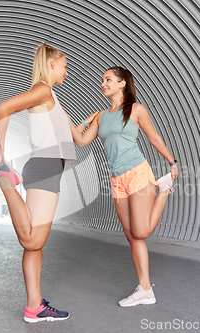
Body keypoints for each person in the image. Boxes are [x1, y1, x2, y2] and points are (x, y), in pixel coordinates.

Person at [0, 43, 96, 323]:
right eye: (64, 65)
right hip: (45, 167)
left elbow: (81, 139)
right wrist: (0, 149)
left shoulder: (53, 100)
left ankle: (34, 307)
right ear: (51, 64)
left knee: (33, 246)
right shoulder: (43, 90)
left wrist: (100, 118)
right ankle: (5, 180)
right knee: (32, 239)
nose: (67, 71)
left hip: (49, 168)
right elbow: (3, 108)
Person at [70, 66, 178, 307]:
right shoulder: (100, 116)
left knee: (141, 232)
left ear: (122, 84)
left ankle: (164, 190)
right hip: (116, 179)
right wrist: (82, 120)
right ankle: (145, 290)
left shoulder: (136, 110)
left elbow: (154, 137)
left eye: (108, 79)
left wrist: (172, 161)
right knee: (131, 236)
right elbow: (80, 141)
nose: (103, 83)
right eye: (102, 80)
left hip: (138, 172)